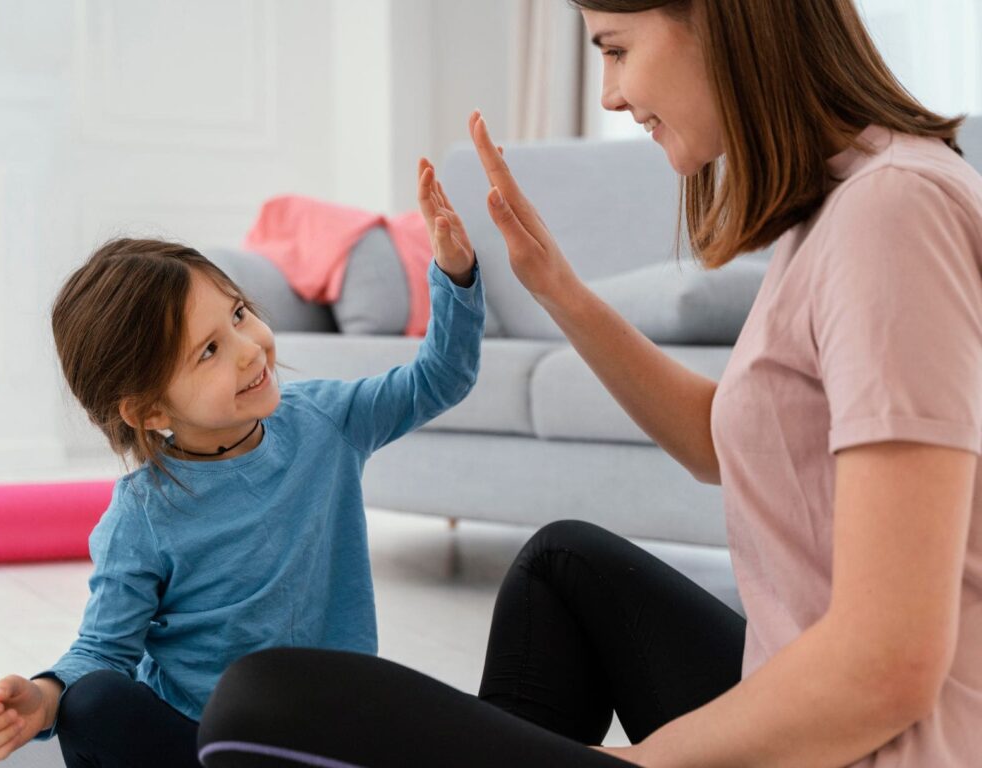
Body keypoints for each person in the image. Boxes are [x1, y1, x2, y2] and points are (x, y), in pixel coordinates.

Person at [197, 1, 982, 767]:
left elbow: (888, 663)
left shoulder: (893, 215)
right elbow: (727, 444)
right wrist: (558, 289)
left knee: (258, 700)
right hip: (822, 707)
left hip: (890, 745)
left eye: (614, 48)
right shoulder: (847, 203)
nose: (609, 93)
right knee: (562, 570)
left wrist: (646, 761)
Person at [0, 158, 485, 766]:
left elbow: (440, 379)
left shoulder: (326, 420)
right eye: (209, 351)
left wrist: (455, 273)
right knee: (93, 704)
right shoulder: (144, 515)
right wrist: (45, 695)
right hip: (204, 744)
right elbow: (103, 651)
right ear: (149, 408)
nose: (248, 349)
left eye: (238, 315)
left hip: (330, 726)